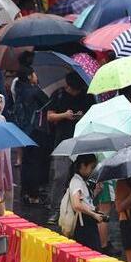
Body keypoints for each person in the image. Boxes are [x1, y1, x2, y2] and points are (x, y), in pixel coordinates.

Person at [46, 72, 94, 224]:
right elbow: (50, 116)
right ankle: (55, 210)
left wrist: (82, 116)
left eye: (77, 90)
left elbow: (92, 115)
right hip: (63, 142)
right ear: (67, 85)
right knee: (59, 177)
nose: (75, 92)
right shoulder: (59, 94)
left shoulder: (87, 96)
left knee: (82, 177)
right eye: (73, 90)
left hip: (81, 142)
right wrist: (64, 115)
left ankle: (82, 207)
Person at [11, 66, 50, 204]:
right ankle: (34, 194)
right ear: (29, 76)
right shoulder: (34, 91)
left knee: (26, 162)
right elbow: (47, 102)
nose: (36, 75)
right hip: (35, 131)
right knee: (35, 163)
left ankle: (25, 192)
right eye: (34, 73)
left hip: (23, 130)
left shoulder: (19, 89)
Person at [68, 154, 105, 251]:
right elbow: (77, 204)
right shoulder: (77, 182)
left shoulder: (81, 181)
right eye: (92, 167)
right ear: (83, 166)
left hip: (86, 222)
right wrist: (94, 215)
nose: (93, 171)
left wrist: (96, 192)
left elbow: (85, 200)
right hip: (84, 224)